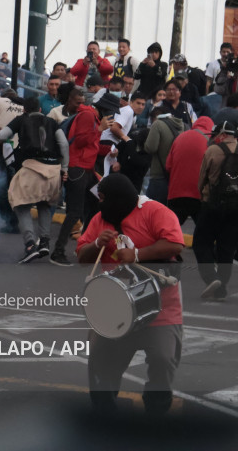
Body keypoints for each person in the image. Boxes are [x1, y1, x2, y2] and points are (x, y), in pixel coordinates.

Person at [77, 173, 184, 415]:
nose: (99, 203)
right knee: (100, 360)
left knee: (163, 359)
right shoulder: (98, 220)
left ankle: (156, 409)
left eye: (103, 198)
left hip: (160, 306)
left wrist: (137, 255)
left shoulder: (155, 212)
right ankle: (104, 411)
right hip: (114, 307)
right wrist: (96, 245)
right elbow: (82, 257)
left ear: (119, 198)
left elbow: (175, 244)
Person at [0, 97, 68, 262]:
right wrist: (65, 168)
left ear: (24, 110)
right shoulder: (51, 122)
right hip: (54, 170)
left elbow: (1, 136)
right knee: (44, 204)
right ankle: (44, 242)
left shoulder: (21, 119)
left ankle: (30, 245)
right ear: (40, 110)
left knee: (20, 203)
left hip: (32, 167)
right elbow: (63, 144)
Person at [50, 93, 118, 266]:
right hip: (78, 169)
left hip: (85, 170)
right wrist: (100, 130)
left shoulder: (93, 117)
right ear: (104, 109)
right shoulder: (89, 116)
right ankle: (58, 252)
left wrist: (107, 150)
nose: (112, 116)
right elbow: (81, 141)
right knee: (74, 211)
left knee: (97, 204)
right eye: (111, 112)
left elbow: (90, 145)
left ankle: (83, 246)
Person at [193, 118, 238, 302]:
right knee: (226, 248)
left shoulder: (213, 150)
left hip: (212, 205)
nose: (214, 139)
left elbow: (201, 180)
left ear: (223, 134)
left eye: (216, 135)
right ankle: (221, 285)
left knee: (201, 243)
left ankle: (212, 279)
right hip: (236, 208)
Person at [165, 116, 213, 226]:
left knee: (171, 229)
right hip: (199, 194)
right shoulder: (210, 141)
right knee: (202, 231)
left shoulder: (180, 137)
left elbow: (168, 166)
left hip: (176, 193)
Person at [144, 105, 184, 205]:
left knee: (152, 208)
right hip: (175, 175)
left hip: (159, 174)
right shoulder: (180, 125)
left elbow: (150, 147)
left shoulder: (157, 124)